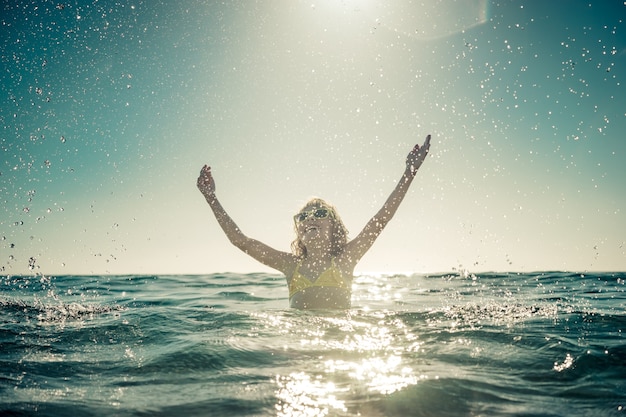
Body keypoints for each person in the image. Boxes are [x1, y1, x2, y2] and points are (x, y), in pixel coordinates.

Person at [197, 135, 431, 309]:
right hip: (300, 342)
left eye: (319, 214)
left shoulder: (345, 260)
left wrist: (409, 174)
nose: (310, 217)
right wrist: (211, 198)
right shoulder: (289, 266)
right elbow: (241, 241)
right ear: (298, 231)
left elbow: (381, 219)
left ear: (334, 228)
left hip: (341, 339)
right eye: (303, 216)